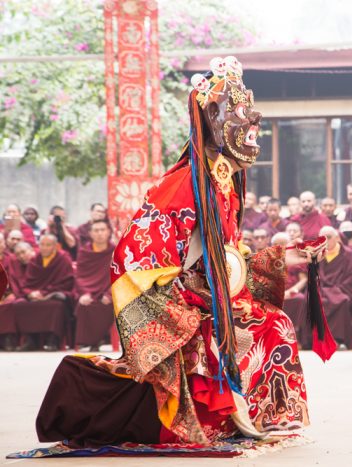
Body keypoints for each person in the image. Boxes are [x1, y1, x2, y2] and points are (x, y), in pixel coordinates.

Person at [36, 56, 331, 448]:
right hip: (185, 303)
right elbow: (132, 258)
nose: (253, 122)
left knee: (271, 322)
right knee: (247, 328)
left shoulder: (223, 182)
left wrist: (285, 257)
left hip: (213, 295)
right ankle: (208, 417)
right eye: (240, 112)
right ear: (211, 114)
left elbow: (227, 256)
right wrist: (181, 301)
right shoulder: (180, 187)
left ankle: (258, 415)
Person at [14, 234, 74, 351]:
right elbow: (27, 283)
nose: (44, 248)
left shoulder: (63, 259)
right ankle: (31, 339)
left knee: (56, 306)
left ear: (55, 246)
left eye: (48, 245)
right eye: (42, 245)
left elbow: (66, 282)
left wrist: (44, 293)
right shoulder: (35, 260)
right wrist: (30, 293)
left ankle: (53, 340)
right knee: (19, 304)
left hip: (53, 294)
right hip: (36, 295)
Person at [73, 220, 115, 352]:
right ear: (90, 234)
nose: (100, 233)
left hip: (109, 291)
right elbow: (80, 275)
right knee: (84, 305)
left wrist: (110, 294)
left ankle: (98, 340)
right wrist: (84, 293)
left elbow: (120, 274)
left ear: (108, 232)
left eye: (103, 230)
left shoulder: (116, 250)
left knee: (106, 305)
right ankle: (90, 342)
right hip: (88, 290)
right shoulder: (84, 251)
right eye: (96, 230)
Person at [318, 226, 352, 350]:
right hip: (322, 290)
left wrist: (335, 289)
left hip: (341, 289)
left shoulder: (349, 255)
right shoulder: (316, 255)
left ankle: (337, 339)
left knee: (343, 301)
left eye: (328, 237)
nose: (325, 241)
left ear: (337, 238)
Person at [0, 241, 35, 351]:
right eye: (18, 254)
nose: (21, 256)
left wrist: (13, 294)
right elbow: (12, 282)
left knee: (15, 304)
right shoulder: (16, 263)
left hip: (32, 294)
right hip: (19, 294)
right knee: (10, 304)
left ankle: (20, 339)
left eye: (23, 252)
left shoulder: (37, 262)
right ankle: (7, 339)